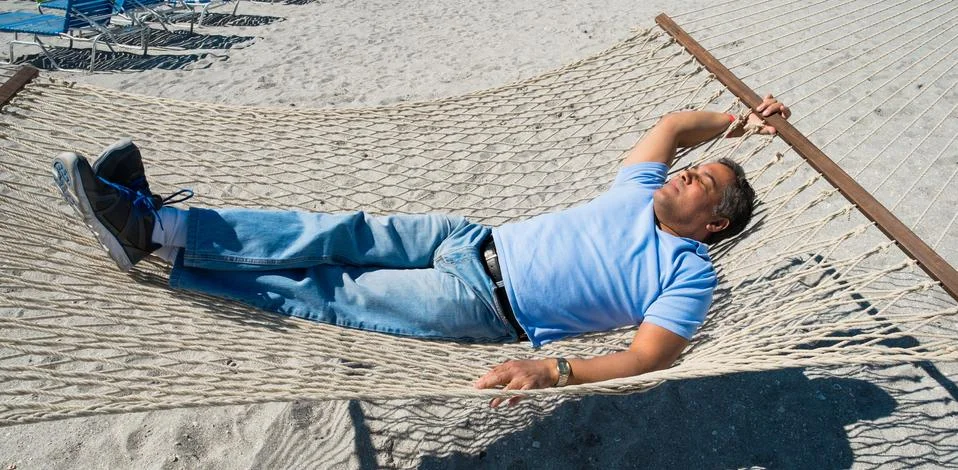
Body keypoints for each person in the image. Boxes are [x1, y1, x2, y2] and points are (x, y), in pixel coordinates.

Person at [52, 95, 789, 407]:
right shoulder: (638, 191)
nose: (688, 171)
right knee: (328, 230)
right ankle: (157, 225)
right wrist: (741, 124)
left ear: (714, 224)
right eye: (694, 167)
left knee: (330, 288)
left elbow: (650, 356)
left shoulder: (688, 271)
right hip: (468, 237)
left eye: (702, 180)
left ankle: (152, 236)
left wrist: (553, 369)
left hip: (482, 304)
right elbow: (672, 124)